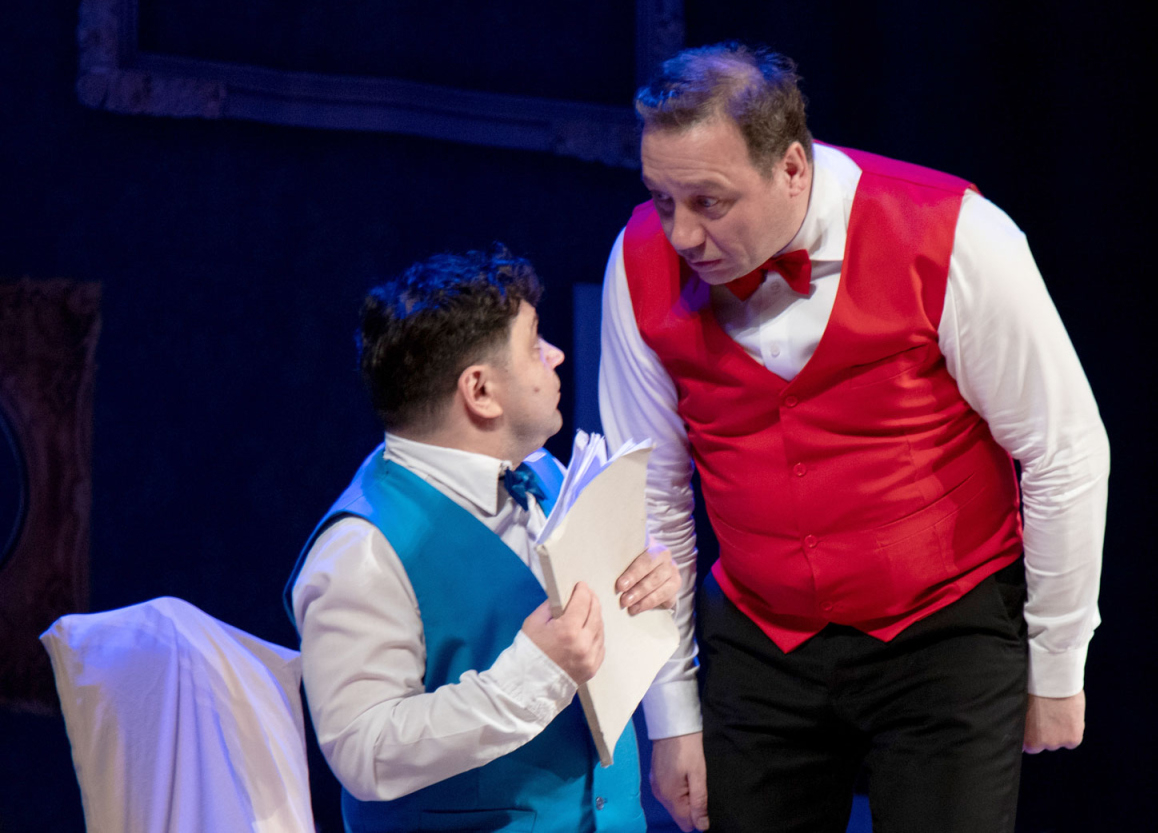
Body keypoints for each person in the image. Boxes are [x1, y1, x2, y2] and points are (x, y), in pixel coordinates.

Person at [599, 44, 1109, 832]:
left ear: (791, 168)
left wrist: (1059, 662)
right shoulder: (637, 262)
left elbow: (1063, 449)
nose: (682, 234)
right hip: (760, 634)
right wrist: (670, 716)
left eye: (709, 201)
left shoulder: (953, 234)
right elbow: (650, 502)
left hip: (944, 626)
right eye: (663, 200)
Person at [286, 245, 679, 833]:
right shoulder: (362, 550)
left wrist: (641, 587)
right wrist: (536, 672)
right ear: (481, 391)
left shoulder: (541, 468)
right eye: (535, 344)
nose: (556, 355)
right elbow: (364, 751)